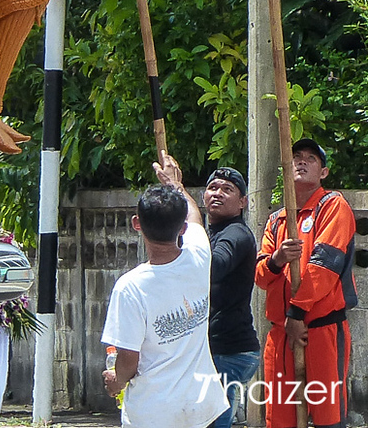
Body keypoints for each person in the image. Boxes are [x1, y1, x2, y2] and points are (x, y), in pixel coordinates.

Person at [102, 152, 227, 428]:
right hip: (199, 407)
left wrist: (116, 382)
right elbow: (195, 215)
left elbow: (128, 361)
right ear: (181, 228)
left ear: (137, 224)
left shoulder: (131, 287)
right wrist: (175, 184)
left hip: (153, 412)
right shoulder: (199, 256)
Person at [254, 137, 358, 428]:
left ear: (323, 172)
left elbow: (324, 265)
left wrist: (297, 313)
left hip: (321, 330)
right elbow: (261, 276)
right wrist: (277, 259)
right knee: (279, 419)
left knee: (328, 417)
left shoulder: (332, 206)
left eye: (311, 158)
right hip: (281, 334)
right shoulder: (276, 220)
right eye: (296, 156)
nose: (301, 160)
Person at [204, 166, 260, 428]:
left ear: (242, 202)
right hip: (216, 350)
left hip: (229, 350)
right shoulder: (211, 233)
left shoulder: (236, 234)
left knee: (214, 421)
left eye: (227, 190)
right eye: (213, 188)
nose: (218, 193)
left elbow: (215, 265)